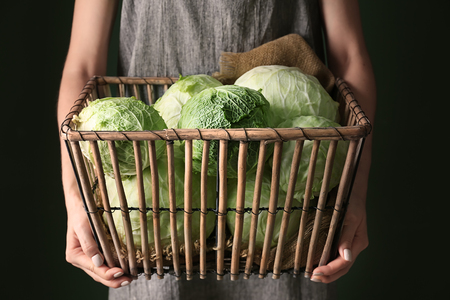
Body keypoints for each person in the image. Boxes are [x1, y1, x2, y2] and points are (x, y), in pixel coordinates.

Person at [57, 0, 376, 298]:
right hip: (151, 203)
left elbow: (348, 56)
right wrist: (76, 198)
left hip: (282, 206)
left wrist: (355, 192)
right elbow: (83, 65)